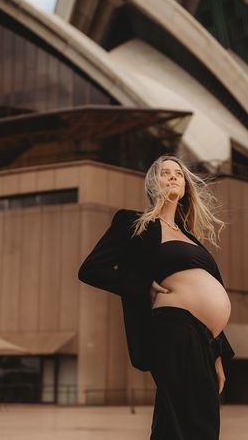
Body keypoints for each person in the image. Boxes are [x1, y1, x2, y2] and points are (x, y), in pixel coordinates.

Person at [78, 155, 235, 440]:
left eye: (179, 173)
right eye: (165, 173)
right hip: (173, 328)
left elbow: (213, 288)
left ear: (186, 187)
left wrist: (218, 355)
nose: (174, 177)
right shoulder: (133, 223)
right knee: (177, 419)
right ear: (154, 182)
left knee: (204, 422)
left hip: (204, 340)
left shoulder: (191, 238)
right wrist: (143, 285)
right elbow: (91, 269)